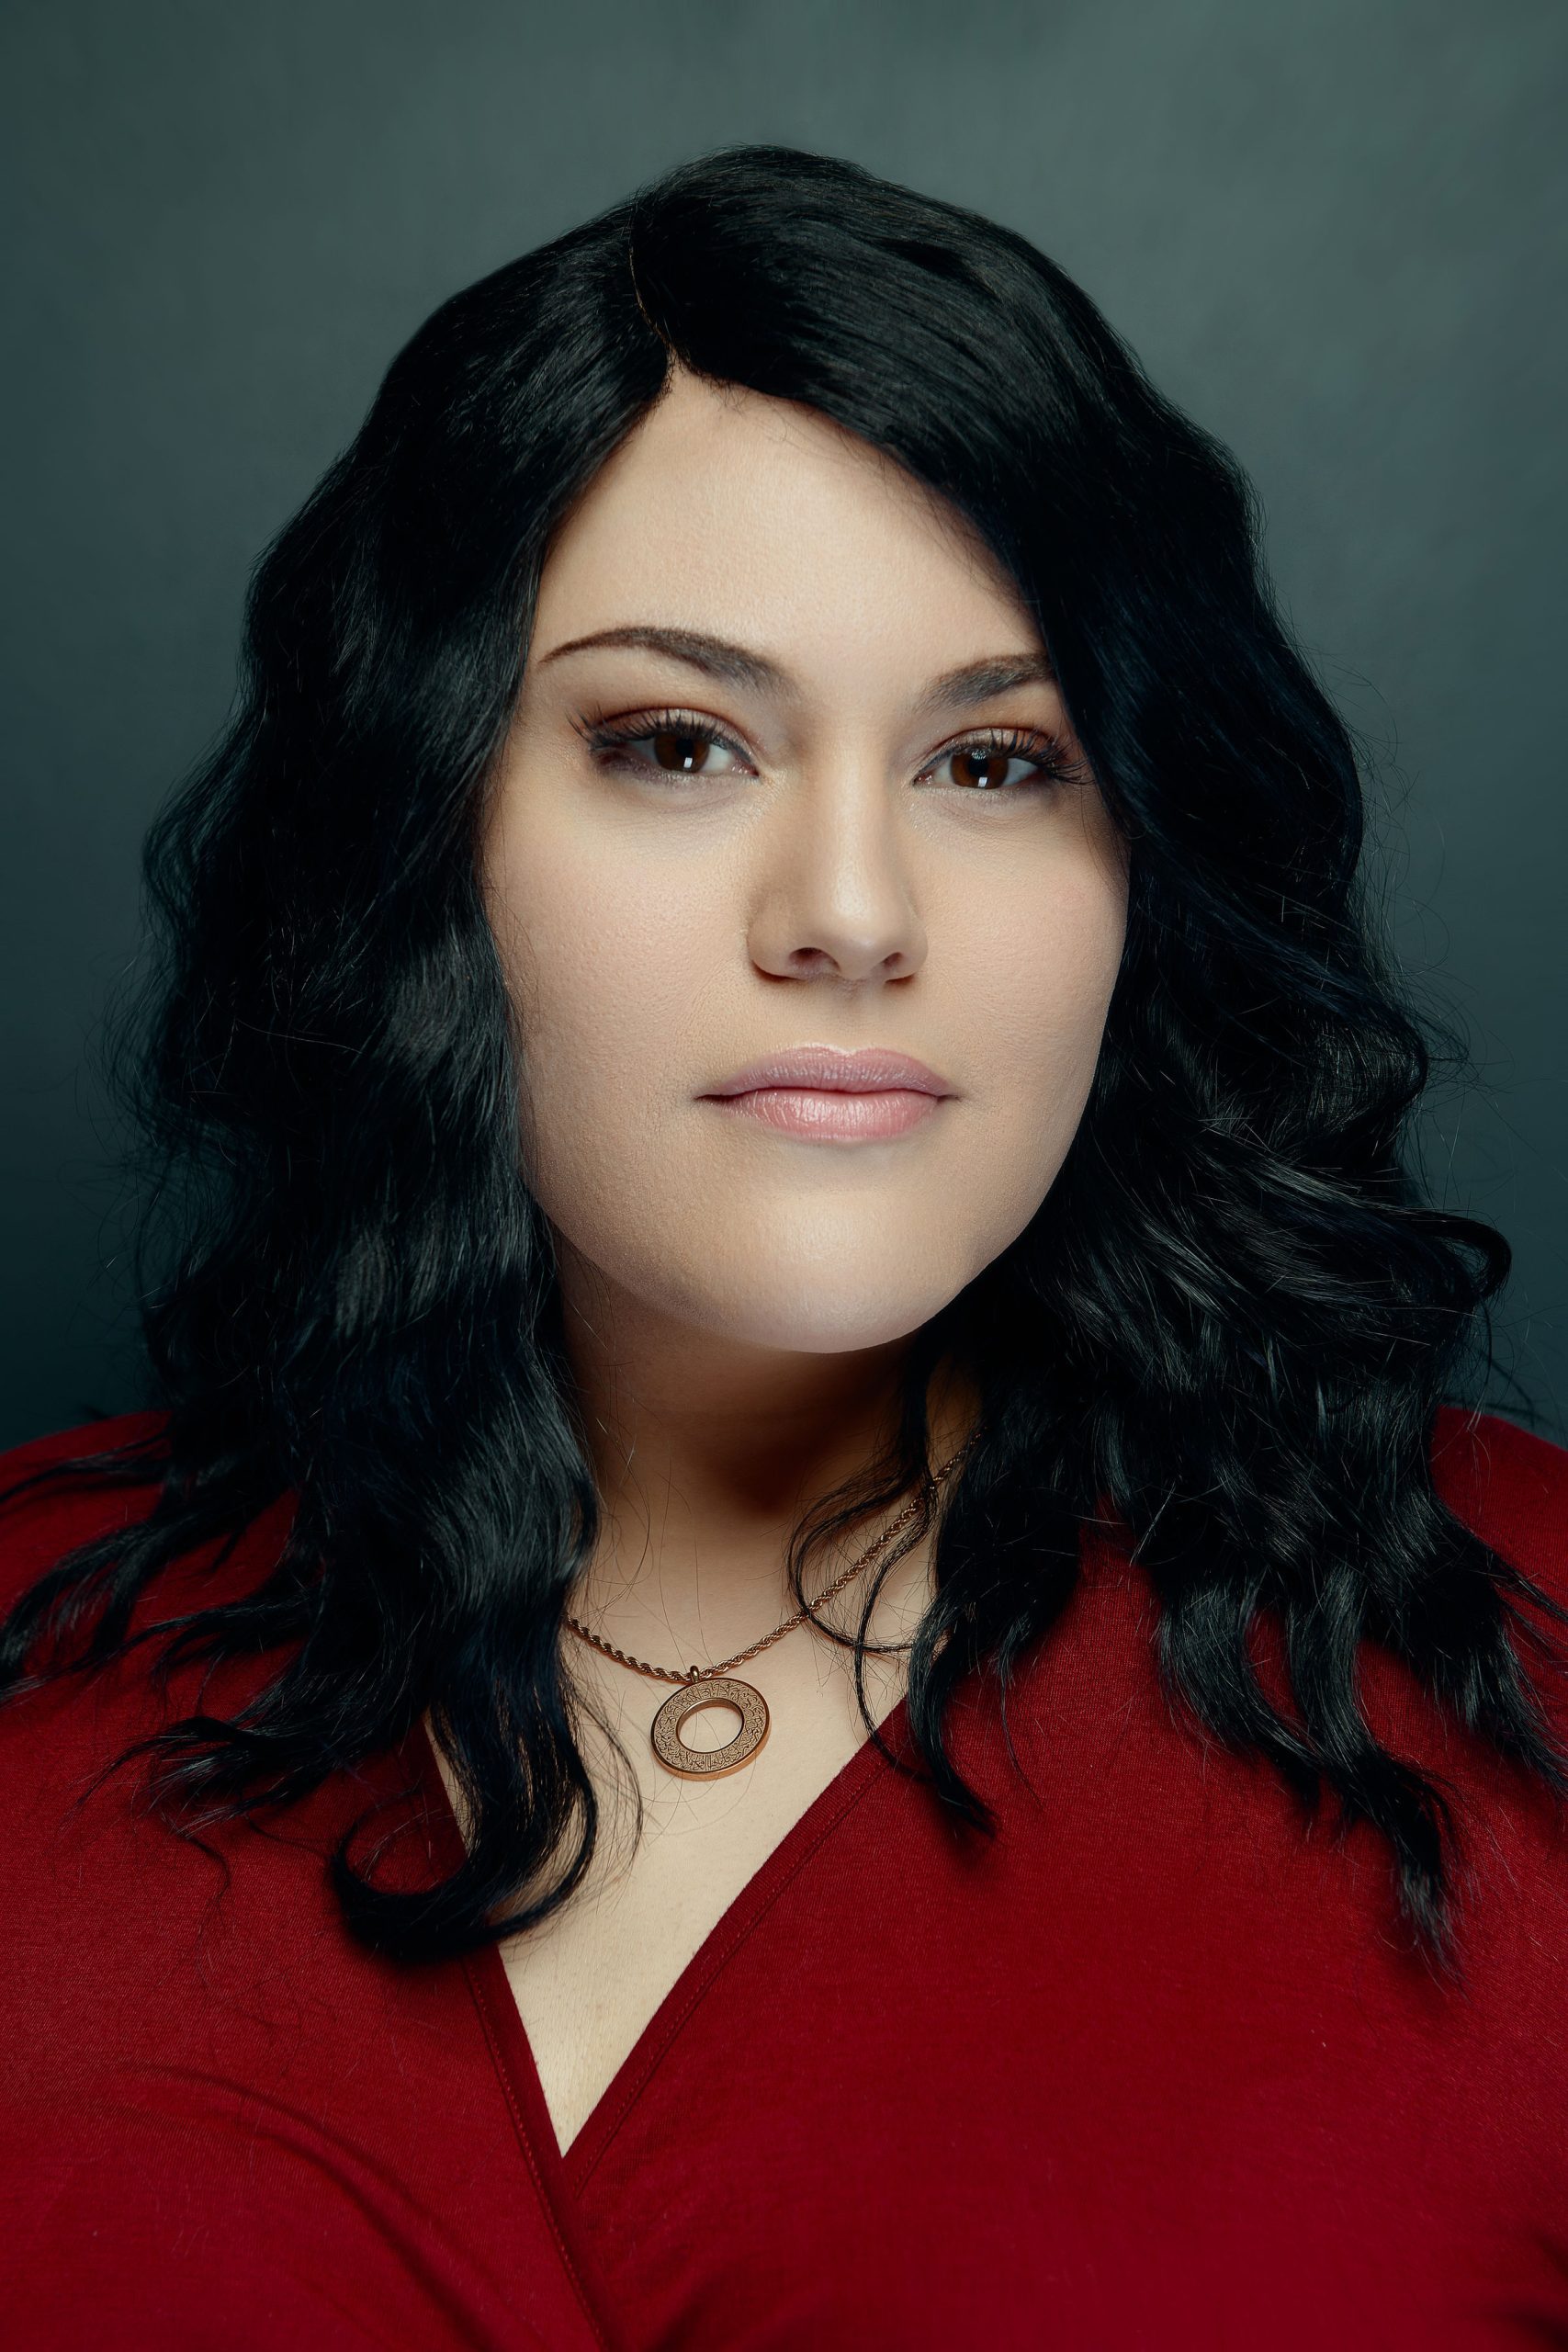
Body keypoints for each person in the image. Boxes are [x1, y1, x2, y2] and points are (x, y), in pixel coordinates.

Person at [2, 141, 1565, 2352]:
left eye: (999, 761)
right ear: (427, 824)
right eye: (673, 741)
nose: (848, 908)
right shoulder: (33, 1680)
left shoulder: (1521, 1679)